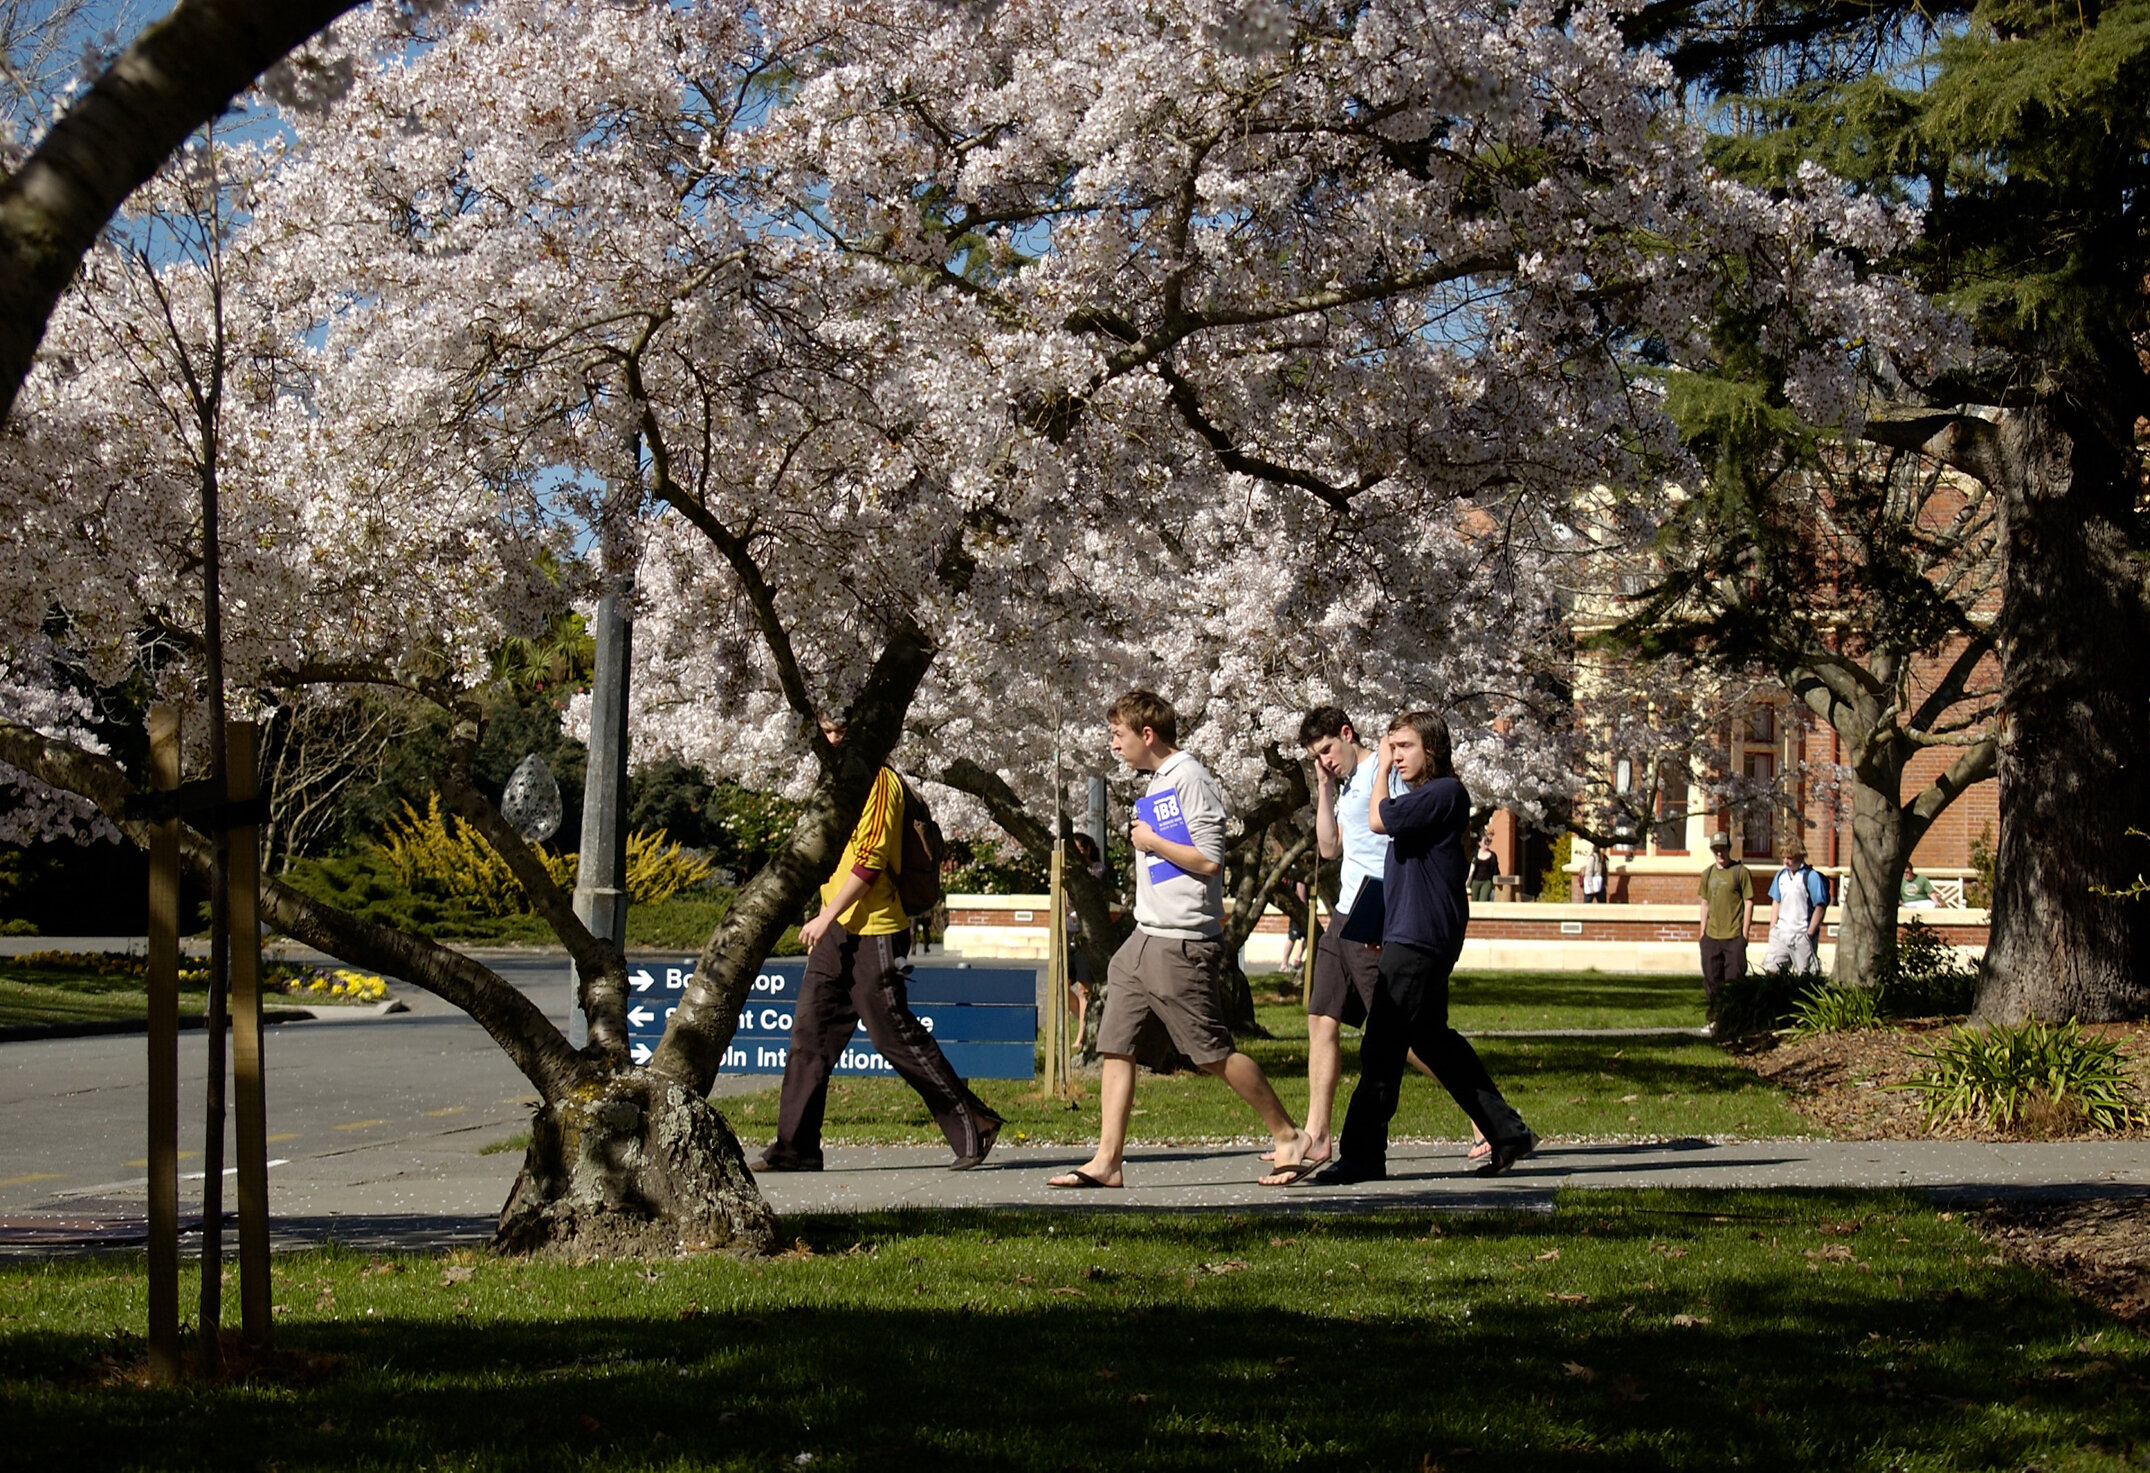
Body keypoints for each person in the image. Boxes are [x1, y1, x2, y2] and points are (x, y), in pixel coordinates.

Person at [1047, 690, 1314, 1189]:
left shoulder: (1190, 778)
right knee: (1117, 1045)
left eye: (1118, 734)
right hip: (1144, 939)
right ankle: (1107, 1162)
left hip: (1182, 943)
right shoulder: (1158, 782)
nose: (1112, 745)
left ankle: (1288, 1135)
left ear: (1147, 735)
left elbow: (1210, 860)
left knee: (1209, 1052)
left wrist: (1149, 841)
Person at [753, 713, 1003, 1173]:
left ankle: (975, 1124)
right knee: (810, 1034)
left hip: (875, 930)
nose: (832, 741)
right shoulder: (834, 786)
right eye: (825, 732)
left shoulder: (881, 783)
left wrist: (824, 915)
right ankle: (795, 1149)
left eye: (841, 732)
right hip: (835, 931)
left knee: (893, 1035)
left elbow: (868, 863)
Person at [1315, 711, 1537, 1184]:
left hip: (1420, 938)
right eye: (1391, 748)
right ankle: (1507, 1131)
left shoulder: (1443, 793)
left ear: (1431, 748)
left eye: (1404, 747)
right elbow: (1402, 872)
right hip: (1408, 932)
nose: (1394, 757)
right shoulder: (1424, 798)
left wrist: (1376, 771)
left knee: (1382, 1045)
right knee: (1434, 1042)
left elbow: (1378, 820)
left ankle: (1362, 1154)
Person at [1290, 705, 1473, 1169]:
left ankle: (1482, 1120)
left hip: (1378, 915)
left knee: (1402, 1037)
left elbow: (1398, 827)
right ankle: (1317, 1134)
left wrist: (1387, 921)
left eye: (1329, 750)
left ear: (1347, 734)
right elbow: (1329, 848)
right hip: (1344, 915)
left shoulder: (1384, 771)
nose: (1326, 760)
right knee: (1320, 1019)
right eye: (1317, 756)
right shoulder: (1346, 782)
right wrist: (1325, 790)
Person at [1696, 832, 1754, 1015]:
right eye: (1716, 849)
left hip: (1734, 936)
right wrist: (1702, 933)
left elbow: (1749, 902)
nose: (1720, 853)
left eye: (1723, 849)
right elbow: (1704, 903)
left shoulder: (1740, 872)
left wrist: (1744, 934)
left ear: (1729, 849)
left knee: (1734, 982)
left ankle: (1733, 1019)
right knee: (1712, 980)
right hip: (1711, 936)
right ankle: (1715, 1018)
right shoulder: (1707, 874)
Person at [1763, 842, 1830, 974]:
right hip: (1781, 933)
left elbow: (1820, 906)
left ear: (1800, 856)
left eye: (1790, 858)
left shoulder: (1811, 877)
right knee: (1771, 972)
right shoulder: (1781, 875)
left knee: (1806, 975)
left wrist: (1809, 934)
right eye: (1784, 858)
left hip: (1801, 934)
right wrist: (1773, 928)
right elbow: (1776, 901)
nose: (1786, 862)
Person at [1281, 878, 1311, 970]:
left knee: (1308, 935)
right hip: (1298, 910)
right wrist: (1304, 905)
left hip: (1300, 909)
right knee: (1293, 936)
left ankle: (1297, 958)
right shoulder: (1300, 876)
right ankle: (1284, 964)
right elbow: (1300, 886)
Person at [1469, 834, 1499, 903]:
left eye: (1488, 841)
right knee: (1474, 901)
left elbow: (1495, 870)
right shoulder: (1474, 854)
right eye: (1485, 841)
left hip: (1486, 882)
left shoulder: (1492, 855)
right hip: (1475, 881)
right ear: (1479, 843)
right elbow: (1470, 868)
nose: (1487, 843)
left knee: (1483, 900)